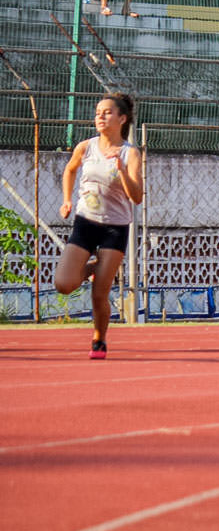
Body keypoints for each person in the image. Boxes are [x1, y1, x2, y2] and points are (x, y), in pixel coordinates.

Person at [54, 93, 144, 360]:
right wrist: (67, 199)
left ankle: (99, 339)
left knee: (99, 294)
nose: (100, 116)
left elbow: (137, 196)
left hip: (114, 228)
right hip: (85, 221)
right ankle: (94, 267)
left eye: (107, 112)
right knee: (64, 283)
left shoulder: (131, 153)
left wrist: (121, 169)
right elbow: (70, 170)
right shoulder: (86, 147)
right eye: (97, 112)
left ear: (122, 118)